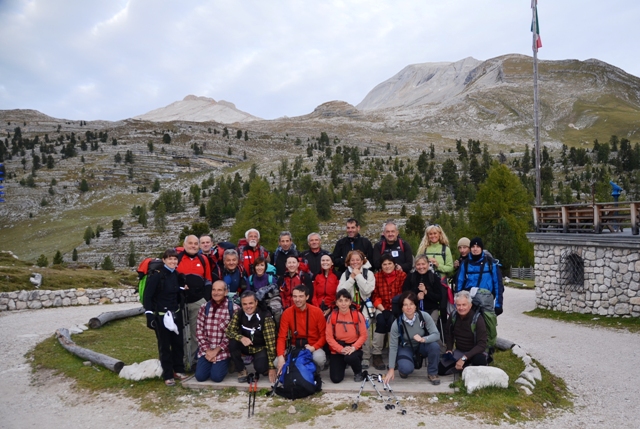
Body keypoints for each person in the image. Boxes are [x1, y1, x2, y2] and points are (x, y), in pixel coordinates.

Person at [143, 249, 187, 386]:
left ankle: (178, 370)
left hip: (176, 314)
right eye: (170, 259)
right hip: (161, 316)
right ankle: (168, 374)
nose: (173, 261)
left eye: (175, 259)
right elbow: (147, 296)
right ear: (164, 260)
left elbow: (173, 291)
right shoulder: (157, 276)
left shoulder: (177, 275)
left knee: (178, 343)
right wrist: (149, 315)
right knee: (164, 345)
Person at [383, 291, 441, 385]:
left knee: (434, 346)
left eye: (411, 304)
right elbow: (393, 347)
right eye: (405, 305)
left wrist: (423, 339)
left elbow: (436, 334)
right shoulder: (397, 323)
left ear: (415, 306)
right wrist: (391, 368)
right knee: (406, 369)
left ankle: (432, 373)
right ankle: (404, 365)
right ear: (401, 308)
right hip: (406, 347)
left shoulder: (424, 316)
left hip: (422, 345)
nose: (409, 307)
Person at [455, 237, 503, 351]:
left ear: (481, 248)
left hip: (486, 300)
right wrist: (458, 300)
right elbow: (460, 282)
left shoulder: (491, 263)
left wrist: (499, 304)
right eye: (473, 247)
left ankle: (489, 348)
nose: (475, 249)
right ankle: (469, 347)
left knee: (489, 324)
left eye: (478, 247)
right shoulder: (465, 263)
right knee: (469, 324)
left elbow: (498, 284)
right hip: (470, 299)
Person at [176, 235, 212, 370]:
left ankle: (194, 361)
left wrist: (205, 299)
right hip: (179, 302)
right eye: (190, 243)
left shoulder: (203, 260)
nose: (193, 246)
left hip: (197, 301)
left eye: (195, 244)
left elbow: (208, 280)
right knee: (179, 332)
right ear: (184, 245)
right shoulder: (178, 258)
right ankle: (182, 361)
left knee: (197, 333)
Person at [225, 291, 278, 384]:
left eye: (250, 303)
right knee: (233, 343)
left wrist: (271, 367)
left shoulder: (265, 317)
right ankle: (241, 369)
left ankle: (260, 363)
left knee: (261, 368)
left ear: (256, 302)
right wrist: (241, 338)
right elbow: (229, 331)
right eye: (244, 304)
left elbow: (271, 344)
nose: (248, 307)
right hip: (245, 345)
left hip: (260, 347)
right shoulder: (239, 313)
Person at [195, 280, 239, 383]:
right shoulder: (204, 307)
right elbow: (199, 331)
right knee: (200, 377)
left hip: (223, 351)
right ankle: (210, 363)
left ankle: (229, 362)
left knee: (216, 377)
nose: (216, 293)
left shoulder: (233, 309)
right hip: (206, 350)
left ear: (226, 292)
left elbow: (232, 334)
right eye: (214, 290)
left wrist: (216, 351)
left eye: (219, 290)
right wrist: (208, 351)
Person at [337, 250, 375, 368]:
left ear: (362, 261)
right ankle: (351, 353)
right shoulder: (346, 274)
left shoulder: (368, 274)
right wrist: (352, 278)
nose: (355, 262)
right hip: (349, 306)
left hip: (364, 306)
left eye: (358, 260)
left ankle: (366, 356)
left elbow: (367, 290)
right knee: (349, 330)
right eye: (352, 260)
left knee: (365, 331)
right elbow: (340, 291)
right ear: (348, 262)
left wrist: (358, 276)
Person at [276, 285, 327, 371]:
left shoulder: (317, 312)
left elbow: (324, 336)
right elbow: (281, 337)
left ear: (307, 297)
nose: (297, 299)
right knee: (277, 361)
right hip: (295, 346)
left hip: (312, 346)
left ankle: (312, 372)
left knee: (319, 359)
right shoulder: (287, 313)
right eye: (295, 296)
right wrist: (281, 356)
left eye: (301, 296)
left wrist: (313, 347)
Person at [371, 254, 406, 371]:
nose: (387, 266)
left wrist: (394, 309)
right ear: (381, 266)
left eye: (389, 263)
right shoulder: (377, 277)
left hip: (397, 308)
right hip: (382, 307)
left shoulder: (402, 276)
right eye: (384, 264)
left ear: (394, 264)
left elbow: (403, 294)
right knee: (380, 321)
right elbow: (375, 295)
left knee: (393, 322)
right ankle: (376, 354)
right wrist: (383, 309)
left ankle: (394, 353)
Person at [439, 291, 488, 375]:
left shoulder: (478, 319)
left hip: (475, 352)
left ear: (470, 305)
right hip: (460, 351)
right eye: (458, 305)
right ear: (455, 305)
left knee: (479, 361)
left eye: (464, 305)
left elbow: (482, 345)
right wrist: (449, 349)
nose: (461, 308)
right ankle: (467, 366)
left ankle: (466, 364)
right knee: (441, 369)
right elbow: (448, 334)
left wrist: (464, 358)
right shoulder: (453, 316)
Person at [325, 289, 368, 383]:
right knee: (336, 379)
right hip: (338, 348)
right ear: (336, 303)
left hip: (353, 348)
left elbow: (363, 335)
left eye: (346, 300)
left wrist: (353, 347)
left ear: (350, 302)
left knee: (350, 357)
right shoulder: (332, 316)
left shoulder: (357, 315)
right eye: (340, 301)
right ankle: (343, 363)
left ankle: (358, 372)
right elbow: (329, 337)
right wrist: (340, 349)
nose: (343, 304)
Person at [403, 255, 443, 326]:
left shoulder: (434, 277)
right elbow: (405, 294)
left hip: (431, 308)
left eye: (423, 264)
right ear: (415, 265)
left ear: (428, 264)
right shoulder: (410, 277)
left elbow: (439, 296)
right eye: (418, 264)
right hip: (414, 308)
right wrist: (416, 297)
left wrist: (426, 292)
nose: (421, 267)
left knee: (430, 325)